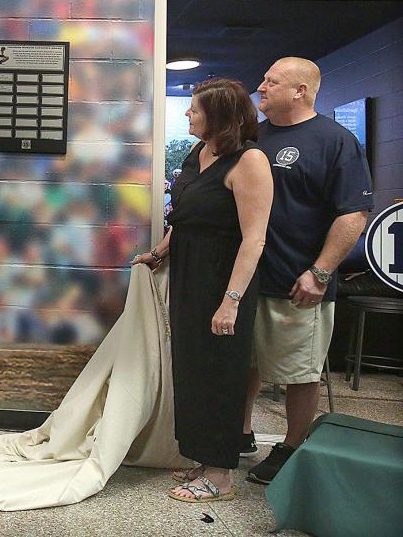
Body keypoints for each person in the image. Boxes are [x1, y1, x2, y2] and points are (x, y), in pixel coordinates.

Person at [132, 78, 273, 502]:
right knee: (192, 371)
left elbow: (255, 239)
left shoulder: (250, 161)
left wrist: (230, 302)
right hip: (190, 276)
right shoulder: (200, 153)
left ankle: (221, 475)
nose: (187, 114)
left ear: (220, 115)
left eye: (194, 109)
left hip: (223, 281)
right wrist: (159, 253)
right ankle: (203, 459)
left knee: (220, 374)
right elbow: (187, 217)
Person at [242, 57, 372, 484]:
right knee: (245, 362)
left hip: (298, 281)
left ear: (300, 90)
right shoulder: (253, 136)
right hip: (246, 277)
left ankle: (292, 445)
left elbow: (353, 214)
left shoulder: (335, 140)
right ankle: (240, 433)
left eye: (271, 82)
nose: (261, 87)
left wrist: (319, 272)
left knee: (299, 370)